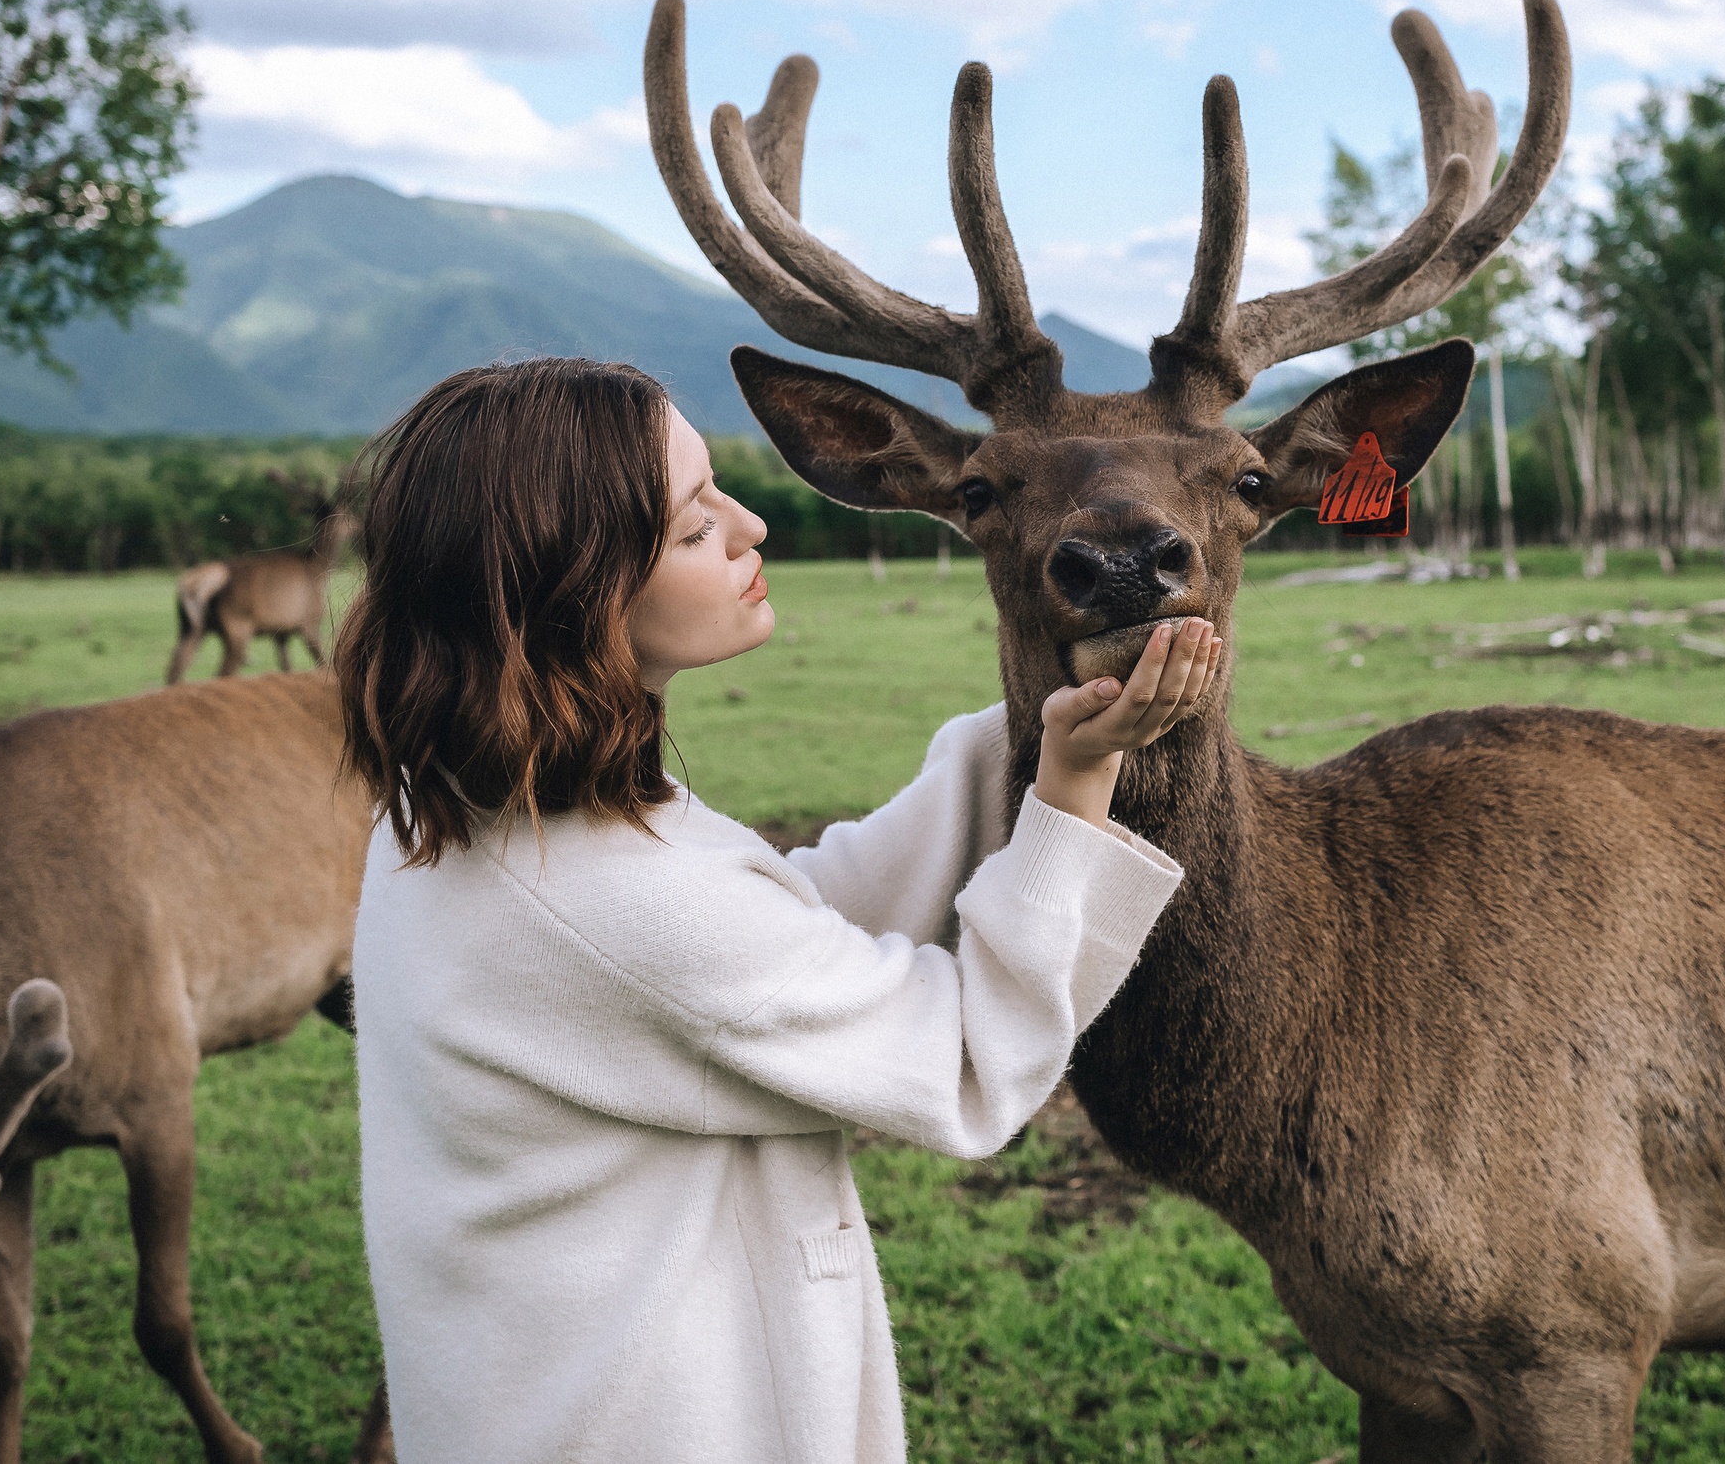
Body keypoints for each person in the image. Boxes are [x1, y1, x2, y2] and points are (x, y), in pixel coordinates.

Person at [334, 359, 1218, 1464]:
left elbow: (777, 935)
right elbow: (961, 1065)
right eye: (695, 525)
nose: (751, 525)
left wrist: (1023, 733)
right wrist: (1072, 790)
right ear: (578, 592)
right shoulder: (615, 901)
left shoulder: (460, 808)